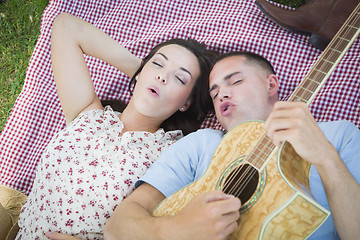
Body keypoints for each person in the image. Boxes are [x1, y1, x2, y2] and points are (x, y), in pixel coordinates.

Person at [104, 51, 360, 240]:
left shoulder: (339, 135)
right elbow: (117, 225)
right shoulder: (200, 143)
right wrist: (176, 229)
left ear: (271, 84)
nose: (222, 94)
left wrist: (326, 158)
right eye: (214, 94)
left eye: (235, 82)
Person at [12, 12, 216, 239]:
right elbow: (66, 26)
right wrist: (140, 72)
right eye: (157, 64)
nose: (162, 77)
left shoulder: (171, 153)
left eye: (180, 78)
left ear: (186, 103)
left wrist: (149, 74)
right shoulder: (88, 114)